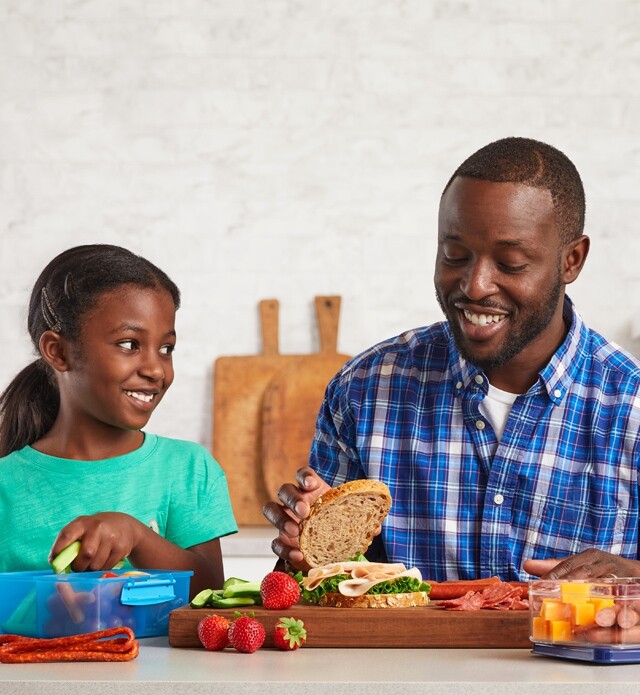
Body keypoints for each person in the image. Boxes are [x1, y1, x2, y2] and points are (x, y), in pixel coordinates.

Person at [264, 136, 640, 583]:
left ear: (572, 260)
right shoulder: (364, 389)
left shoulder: (630, 406)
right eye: (454, 255)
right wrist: (301, 552)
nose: (475, 285)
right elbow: (313, 584)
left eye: (511, 262)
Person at [0, 244, 237, 597]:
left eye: (166, 348)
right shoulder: (7, 487)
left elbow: (209, 592)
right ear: (58, 351)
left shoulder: (188, 469)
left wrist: (138, 536)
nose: (156, 369)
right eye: (129, 344)